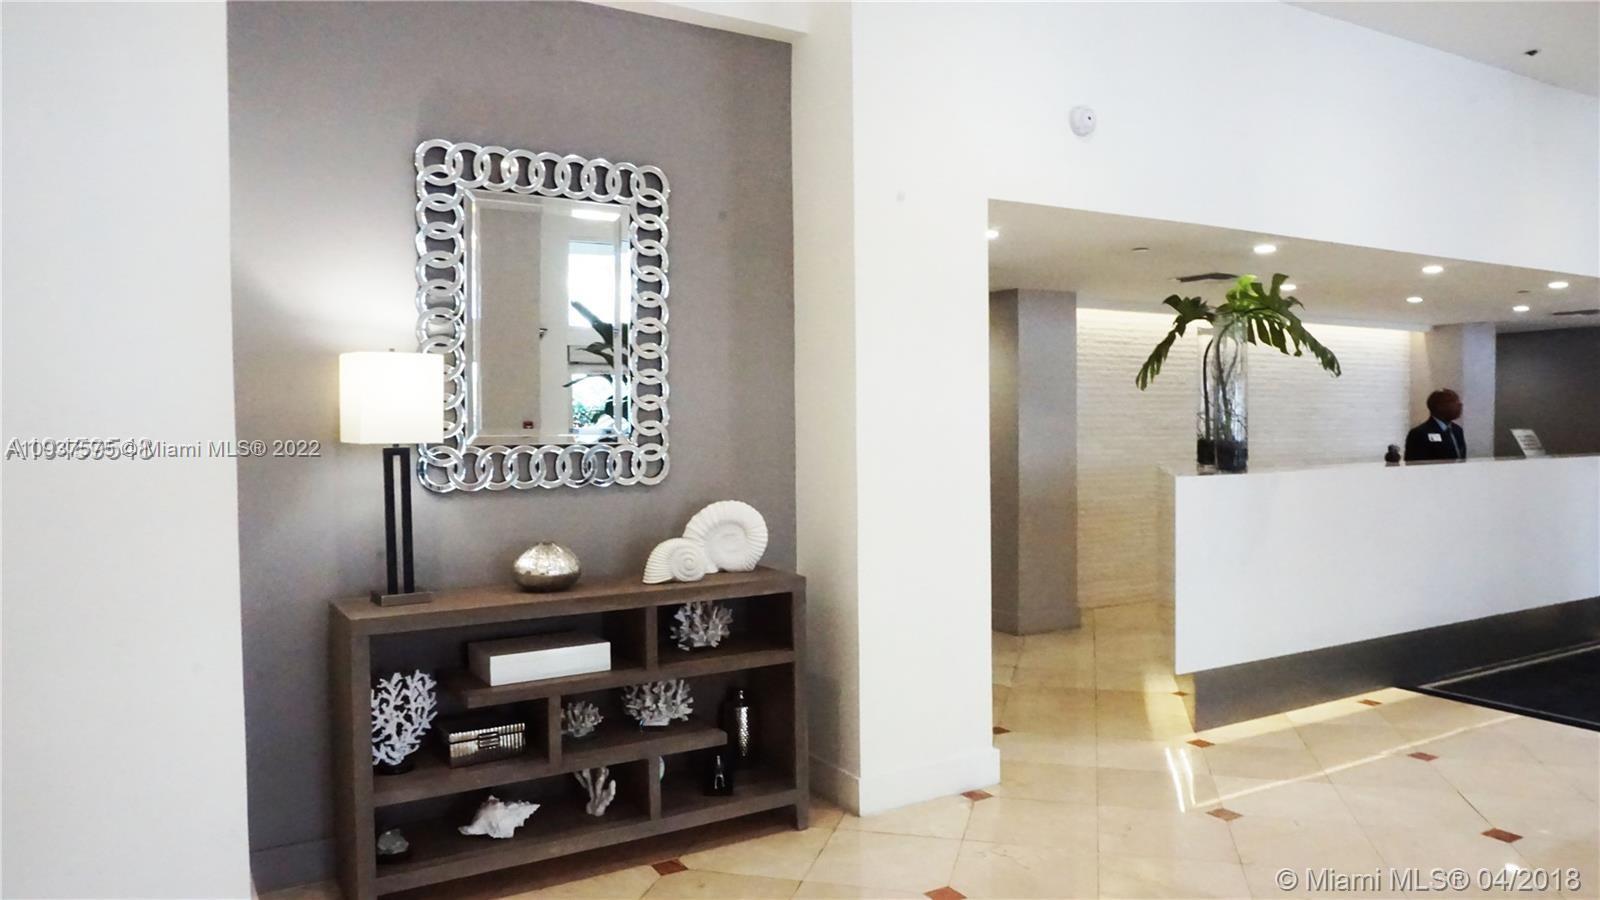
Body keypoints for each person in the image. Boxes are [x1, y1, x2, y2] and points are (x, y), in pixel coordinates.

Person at [1405, 389, 1467, 463]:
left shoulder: (1457, 430)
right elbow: (1415, 465)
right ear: (1439, 406)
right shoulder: (1419, 433)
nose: (1459, 404)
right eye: (1452, 401)